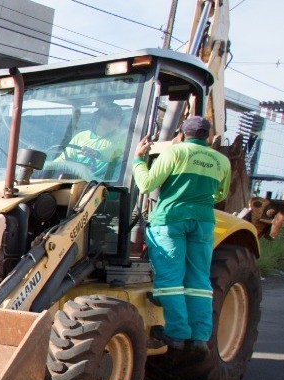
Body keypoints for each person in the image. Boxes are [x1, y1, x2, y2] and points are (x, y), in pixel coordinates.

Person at [133, 116, 230, 352]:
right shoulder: (221, 160)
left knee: (170, 279)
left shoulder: (175, 153)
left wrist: (138, 159)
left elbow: (146, 184)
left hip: (171, 220)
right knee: (199, 280)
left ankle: (176, 334)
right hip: (203, 222)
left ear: (183, 134)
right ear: (207, 136)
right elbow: (221, 195)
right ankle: (200, 337)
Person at [55, 103, 126, 180]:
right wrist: (49, 167)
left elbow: (113, 153)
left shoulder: (122, 138)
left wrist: (96, 153)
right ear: (98, 118)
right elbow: (63, 160)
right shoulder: (81, 136)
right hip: (77, 181)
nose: (115, 122)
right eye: (110, 118)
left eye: (118, 119)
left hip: (103, 183)